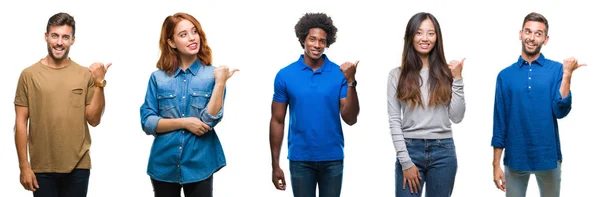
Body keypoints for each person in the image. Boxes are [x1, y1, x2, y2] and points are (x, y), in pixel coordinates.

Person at [139, 12, 237, 197]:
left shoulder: (215, 75)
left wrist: (221, 83)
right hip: (163, 163)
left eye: (194, 32)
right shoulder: (158, 78)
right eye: (183, 34)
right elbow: (147, 121)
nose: (192, 38)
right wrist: (184, 122)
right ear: (171, 42)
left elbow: (210, 121)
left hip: (200, 162)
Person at [13, 12, 111, 197]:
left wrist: (99, 83)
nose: (59, 42)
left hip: (78, 167)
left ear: (73, 40)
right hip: (41, 168)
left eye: (65, 37)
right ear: (46, 37)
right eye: (55, 36)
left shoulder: (84, 74)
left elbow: (94, 119)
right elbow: (20, 122)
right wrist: (24, 166)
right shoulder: (29, 75)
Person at [491, 12, 585, 197]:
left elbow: (561, 111)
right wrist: (496, 165)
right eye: (528, 32)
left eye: (538, 33)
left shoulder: (557, 69)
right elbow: (499, 122)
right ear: (520, 34)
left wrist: (567, 75)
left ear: (545, 39)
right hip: (515, 158)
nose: (532, 38)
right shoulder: (505, 75)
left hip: (548, 157)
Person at [269, 12, 360, 197]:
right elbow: (277, 120)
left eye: (322, 41)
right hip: (300, 159)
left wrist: (351, 81)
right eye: (312, 39)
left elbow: (350, 119)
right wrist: (275, 165)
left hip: (332, 158)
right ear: (303, 39)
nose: (317, 45)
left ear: (327, 43)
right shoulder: (285, 75)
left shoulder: (338, 74)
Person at [387, 12, 466, 197]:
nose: (425, 38)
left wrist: (458, 78)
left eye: (431, 33)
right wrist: (405, 162)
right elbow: (394, 121)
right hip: (410, 150)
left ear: (437, 37)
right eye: (419, 33)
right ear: (411, 36)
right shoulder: (396, 75)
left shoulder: (448, 72)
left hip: (443, 152)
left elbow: (457, 117)